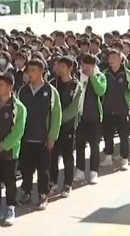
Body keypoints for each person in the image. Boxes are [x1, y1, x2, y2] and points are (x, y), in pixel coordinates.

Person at [17, 59, 61, 209]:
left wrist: (52, 136)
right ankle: (26, 192)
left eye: (33, 70)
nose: (30, 73)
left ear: (42, 71)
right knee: (26, 168)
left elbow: (56, 115)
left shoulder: (50, 91)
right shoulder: (22, 91)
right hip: (26, 137)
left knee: (43, 169)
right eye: (28, 70)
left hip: (43, 138)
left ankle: (43, 194)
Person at [0, 73, 26, 227]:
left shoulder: (18, 107)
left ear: (10, 87)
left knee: (9, 181)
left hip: (9, 152)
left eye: (1, 85)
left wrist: (2, 146)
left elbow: (17, 132)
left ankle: (10, 209)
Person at [73, 54, 106, 185]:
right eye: (83, 65)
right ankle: (80, 170)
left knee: (94, 145)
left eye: (88, 66)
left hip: (94, 116)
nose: (85, 68)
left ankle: (93, 172)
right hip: (80, 116)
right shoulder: (77, 76)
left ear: (93, 66)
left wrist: (92, 77)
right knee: (79, 145)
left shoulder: (100, 76)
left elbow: (100, 91)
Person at [50, 56, 81, 197]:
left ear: (70, 68)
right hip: (53, 126)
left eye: (63, 66)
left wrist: (59, 119)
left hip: (67, 125)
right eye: (58, 66)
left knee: (67, 155)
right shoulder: (52, 83)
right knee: (52, 154)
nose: (59, 69)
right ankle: (53, 182)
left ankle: (67, 184)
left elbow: (74, 109)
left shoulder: (76, 86)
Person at [100, 50, 130, 170]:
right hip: (108, 109)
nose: (111, 60)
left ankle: (124, 158)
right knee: (108, 134)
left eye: (114, 57)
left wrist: (127, 99)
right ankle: (108, 156)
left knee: (124, 135)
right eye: (110, 57)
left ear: (121, 59)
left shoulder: (128, 74)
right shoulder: (104, 74)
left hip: (122, 110)